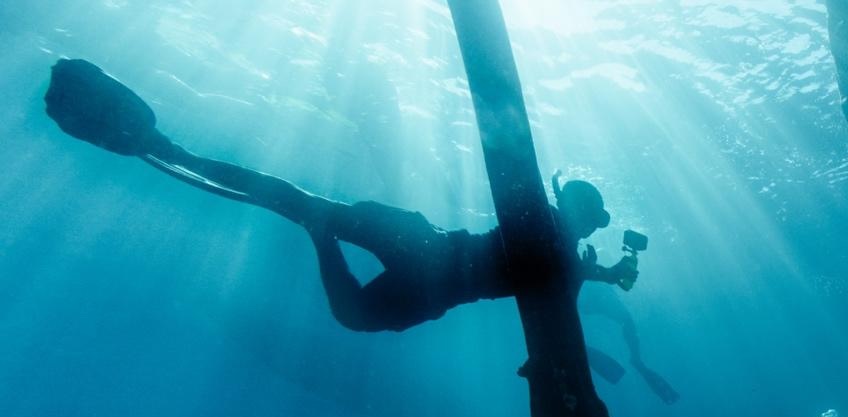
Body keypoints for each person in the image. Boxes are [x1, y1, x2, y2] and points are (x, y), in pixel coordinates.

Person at [43, 59, 641, 336]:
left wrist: (609, 272)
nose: (595, 223)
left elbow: (569, 265)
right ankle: (176, 156)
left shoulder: (555, 231)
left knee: (296, 201)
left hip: (423, 241)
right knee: (349, 309)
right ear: (587, 217)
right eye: (597, 216)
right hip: (438, 280)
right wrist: (609, 274)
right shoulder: (562, 245)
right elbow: (567, 278)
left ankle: (168, 148)